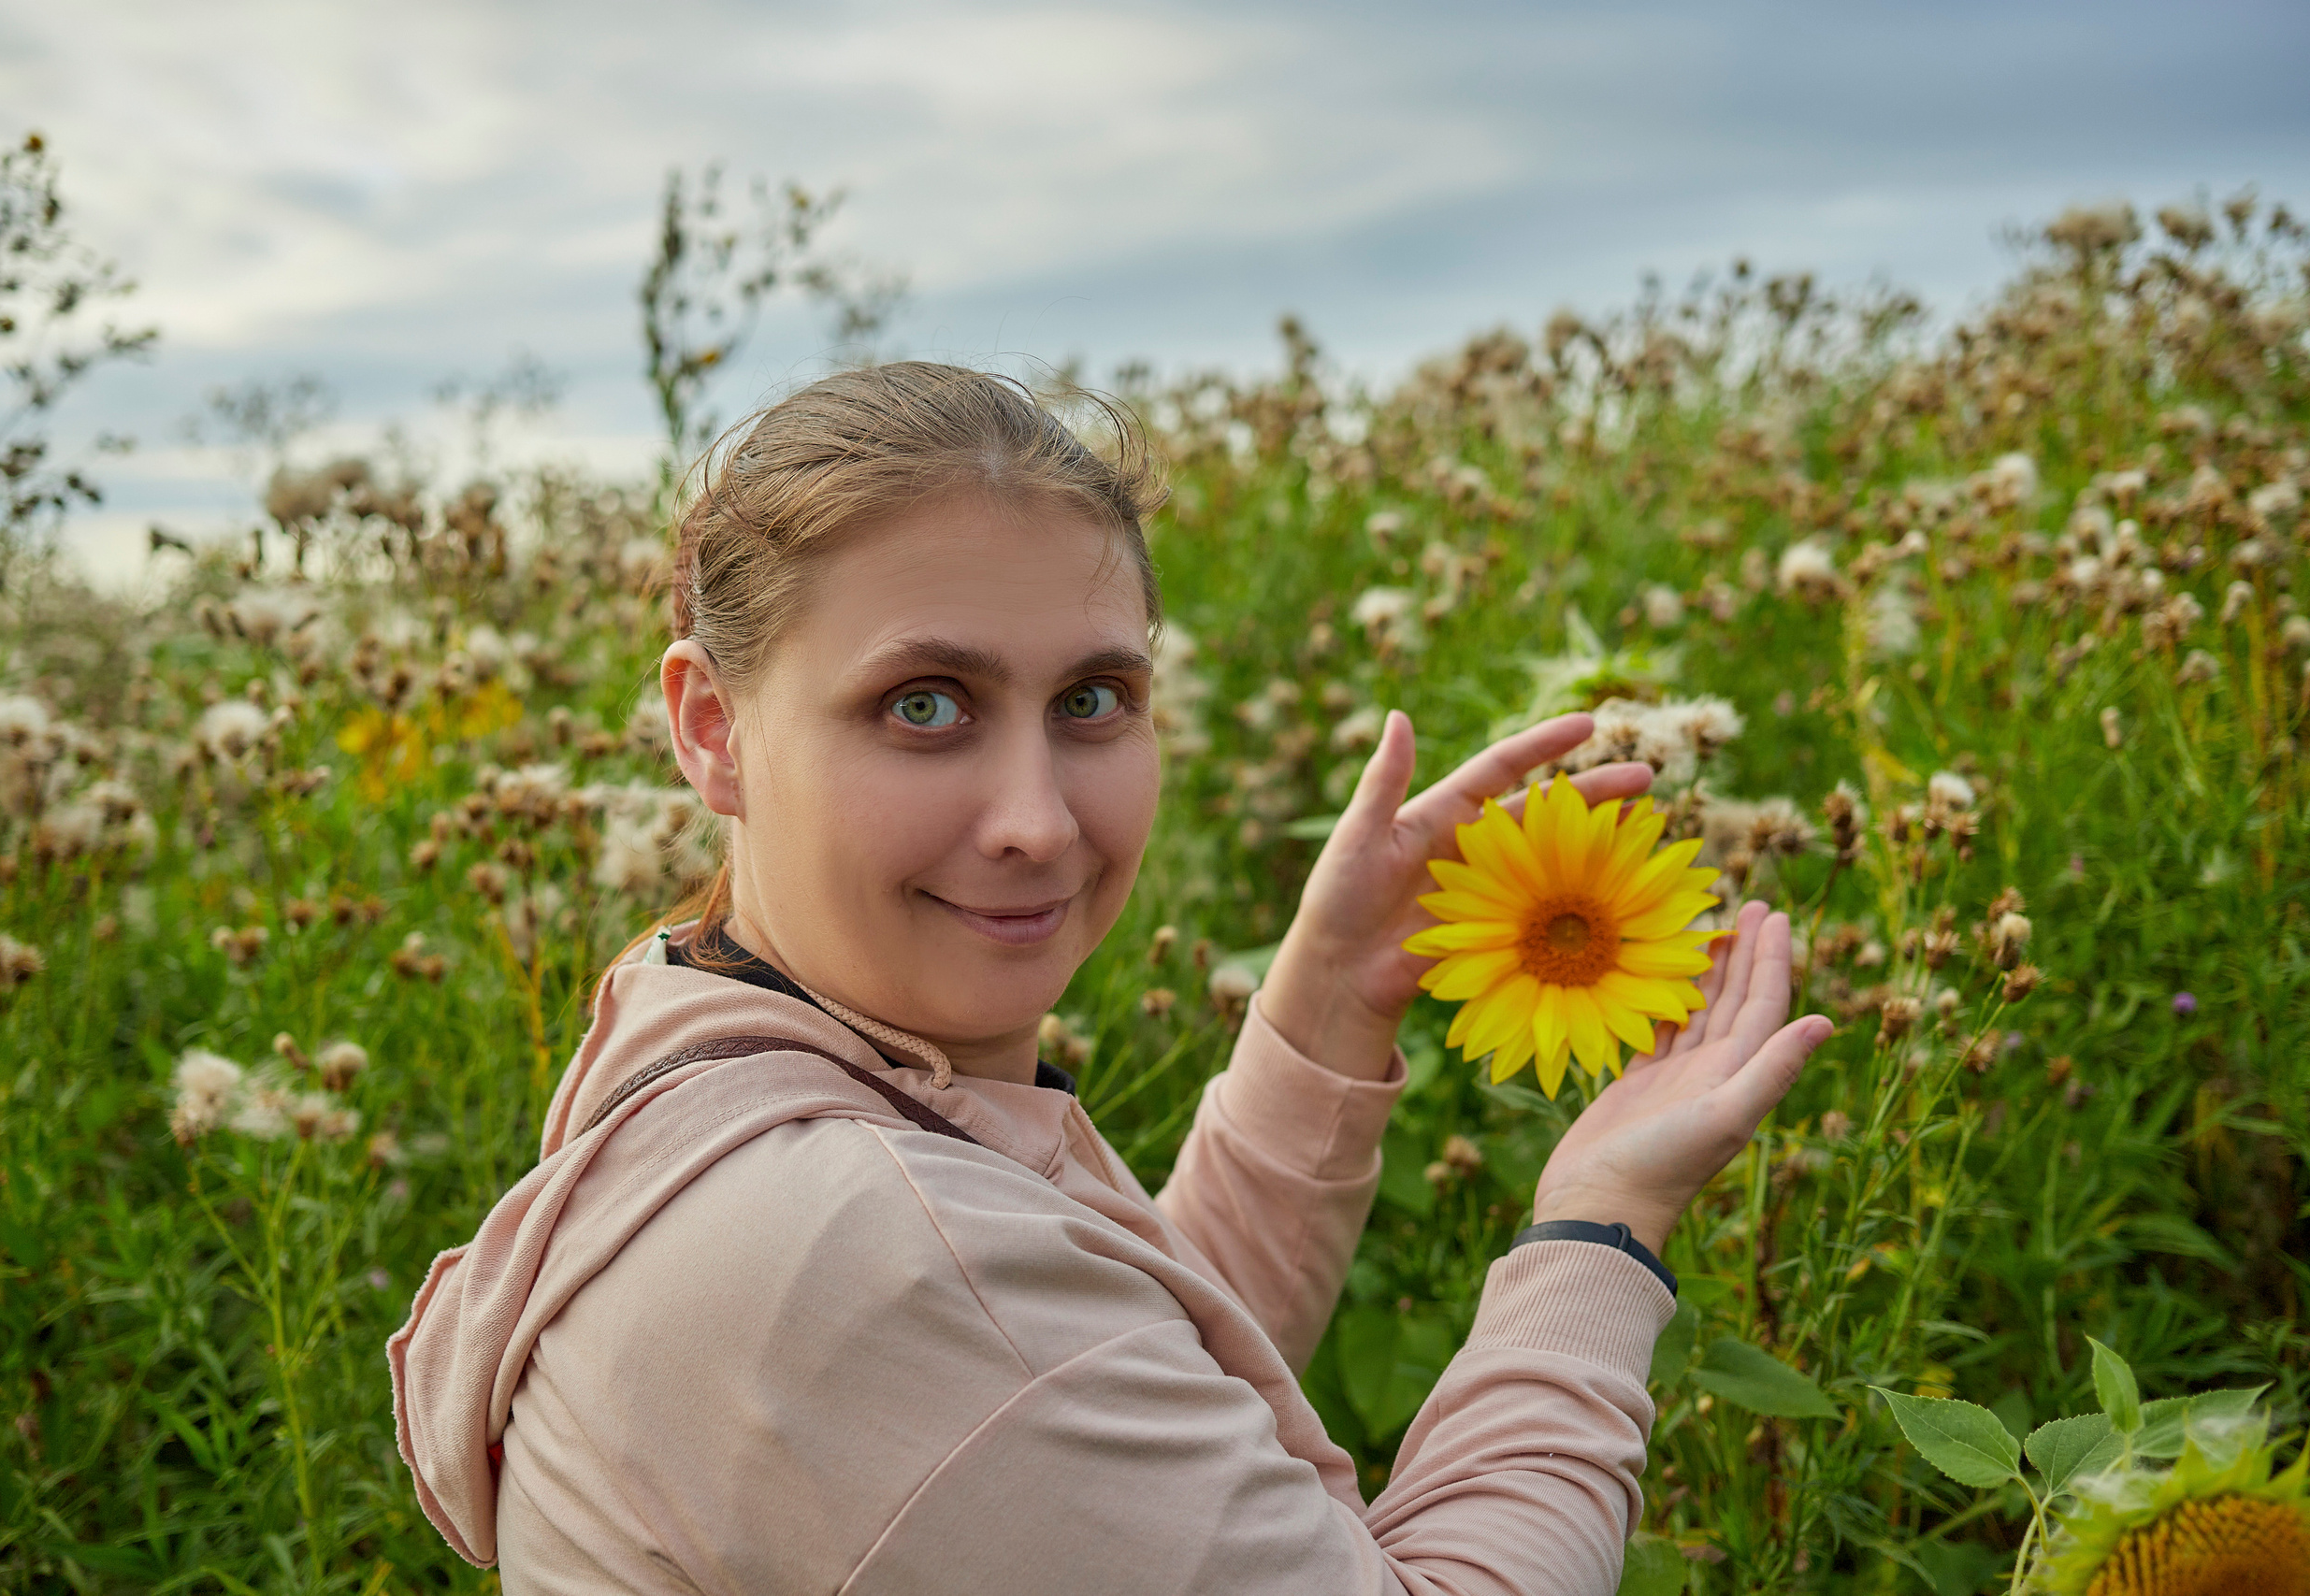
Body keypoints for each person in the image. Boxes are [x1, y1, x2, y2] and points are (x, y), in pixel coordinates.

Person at [389, 362, 1832, 1594]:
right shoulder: (856, 1251)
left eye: (1092, 701)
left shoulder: (701, 1019)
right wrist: (1600, 1234)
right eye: (924, 706)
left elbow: (1095, 1387)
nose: (1038, 818)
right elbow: (1015, 1353)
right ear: (711, 726)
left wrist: (1325, 1003)